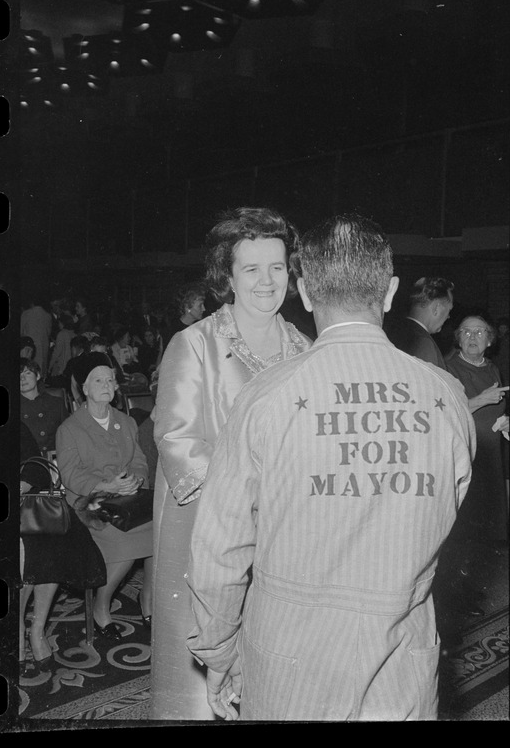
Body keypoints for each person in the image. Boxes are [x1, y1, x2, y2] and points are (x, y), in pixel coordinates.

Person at [186, 214, 475, 722]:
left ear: (305, 291)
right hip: (402, 654)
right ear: (388, 293)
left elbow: (220, 549)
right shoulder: (446, 395)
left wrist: (218, 653)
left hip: (289, 658)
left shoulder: (265, 396)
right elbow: (450, 503)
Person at [150, 207, 311, 720]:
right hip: (205, 524)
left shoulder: (307, 349)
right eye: (251, 269)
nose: (267, 281)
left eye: (278, 267)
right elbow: (176, 440)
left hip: (284, 527)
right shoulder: (195, 343)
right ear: (228, 277)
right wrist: (251, 494)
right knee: (200, 676)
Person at [56, 355, 153, 644]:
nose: (107, 385)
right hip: (90, 504)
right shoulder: (70, 429)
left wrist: (133, 480)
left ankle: (147, 602)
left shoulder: (126, 421)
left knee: (162, 533)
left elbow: (139, 461)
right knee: (125, 542)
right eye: (98, 380)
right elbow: (72, 476)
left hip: (126, 498)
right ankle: (101, 606)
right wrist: (106, 485)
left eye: (110, 379)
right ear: (84, 388)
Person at [19, 422, 106, 676]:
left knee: (55, 536)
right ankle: (13, 632)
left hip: (22, 500)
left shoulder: (14, 424)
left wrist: (21, 485)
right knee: (21, 552)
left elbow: (37, 468)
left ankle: (37, 629)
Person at [445, 315, 509, 545]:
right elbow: (445, 413)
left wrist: (505, 421)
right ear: (459, 339)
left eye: (480, 332)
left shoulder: (492, 369)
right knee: (467, 522)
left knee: (490, 518)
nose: (473, 337)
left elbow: (497, 407)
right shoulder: (448, 369)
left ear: (490, 341)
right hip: (466, 453)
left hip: (491, 453)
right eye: (466, 332)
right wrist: (481, 399)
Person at [386, 277, 454, 370]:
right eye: (449, 310)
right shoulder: (423, 342)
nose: (448, 316)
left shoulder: (391, 332)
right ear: (436, 308)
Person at [20, 359, 67, 453]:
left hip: (54, 462)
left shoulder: (56, 404)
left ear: (37, 375)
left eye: (27, 373)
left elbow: (68, 437)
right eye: (19, 375)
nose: (22, 378)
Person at [160, 282, 207, 351]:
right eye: (200, 305)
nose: (204, 309)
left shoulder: (202, 327)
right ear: (187, 307)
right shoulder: (173, 333)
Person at [21, 298, 53, 376]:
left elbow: (21, 332)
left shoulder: (26, 314)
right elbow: (49, 333)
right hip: (43, 346)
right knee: (41, 369)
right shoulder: (48, 316)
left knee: (28, 368)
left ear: (32, 303)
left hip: (29, 346)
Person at [47, 311, 76, 382]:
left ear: (63, 323)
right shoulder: (74, 334)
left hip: (60, 367)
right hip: (69, 368)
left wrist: (49, 367)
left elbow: (57, 352)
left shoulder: (62, 334)